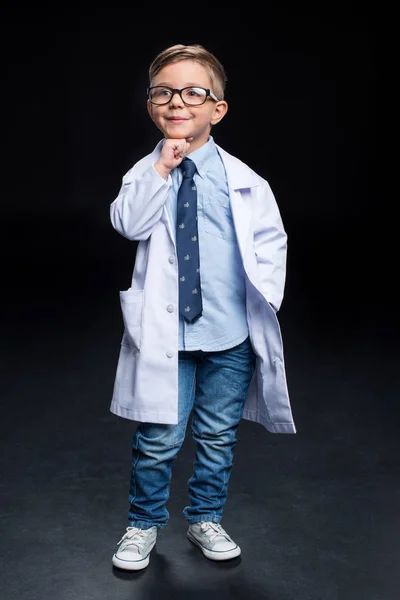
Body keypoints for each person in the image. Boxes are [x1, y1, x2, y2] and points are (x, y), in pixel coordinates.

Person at [109, 43, 296, 571]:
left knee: (217, 435)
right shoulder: (146, 173)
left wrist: (265, 301)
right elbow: (128, 223)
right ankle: (142, 525)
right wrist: (161, 169)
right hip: (168, 337)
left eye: (194, 93)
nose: (177, 103)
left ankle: (204, 516)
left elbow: (270, 241)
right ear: (151, 106)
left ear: (217, 110)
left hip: (229, 334)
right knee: (158, 438)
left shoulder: (244, 180)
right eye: (164, 92)